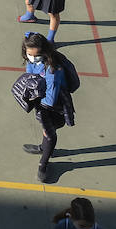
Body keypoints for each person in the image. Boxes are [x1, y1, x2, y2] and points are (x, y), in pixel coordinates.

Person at [21, 32, 73, 184]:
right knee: (46, 129)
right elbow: (29, 75)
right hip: (41, 99)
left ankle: (43, 165)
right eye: (28, 54)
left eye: (35, 55)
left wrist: (35, 98)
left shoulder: (52, 69)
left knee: (49, 132)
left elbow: (50, 99)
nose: (31, 58)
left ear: (44, 52)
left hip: (54, 105)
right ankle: (44, 147)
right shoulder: (32, 61)